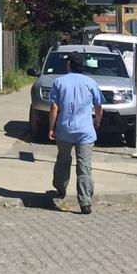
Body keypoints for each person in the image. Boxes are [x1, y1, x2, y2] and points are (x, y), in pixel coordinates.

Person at [48, 51, 104, 214]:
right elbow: (99, 105)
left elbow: (54, 107)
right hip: (85, 132)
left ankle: (60, 189)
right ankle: (85, 202)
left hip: (64, 130)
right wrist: (97, 120)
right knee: (84, 166)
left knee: (63, 160)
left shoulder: (59, 82)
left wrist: (51, 127)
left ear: (69, 64)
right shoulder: (91, 83)